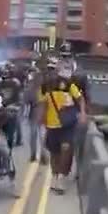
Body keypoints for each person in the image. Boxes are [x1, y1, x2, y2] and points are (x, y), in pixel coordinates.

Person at [38, 60, 86, 194]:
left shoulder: (69, 85)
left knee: (66, 149)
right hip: (51, 125)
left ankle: (62, 177)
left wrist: (82, 113)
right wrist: (41, 122)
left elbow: (80, 99)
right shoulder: (45, 86)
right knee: (54, 153)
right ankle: (55, 175)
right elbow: (42, 105)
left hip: (67, 124)